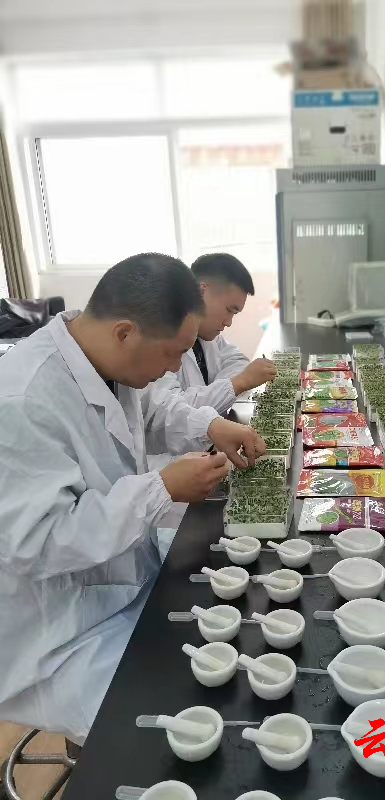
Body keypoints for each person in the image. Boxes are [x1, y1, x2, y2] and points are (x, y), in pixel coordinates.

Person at [0, 253, 265, 745]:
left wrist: (211, 424)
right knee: (177, 721)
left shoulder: (102, 357)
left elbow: (154, 412)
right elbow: (41, 543)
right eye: (171, 354)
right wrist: (160, 489)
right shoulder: (22, 401)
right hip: (60, 631)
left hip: (123, 574)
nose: (174, 368)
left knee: (229, 626)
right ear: (125, 332)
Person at [147, 253, 277, 417]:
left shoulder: (208, 336)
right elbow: (171, 414)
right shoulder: (161, 338)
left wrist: (220, 389)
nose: (229, 322)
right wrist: (237, 383)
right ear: (202, 291)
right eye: (229, 310)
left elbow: (236, 359)